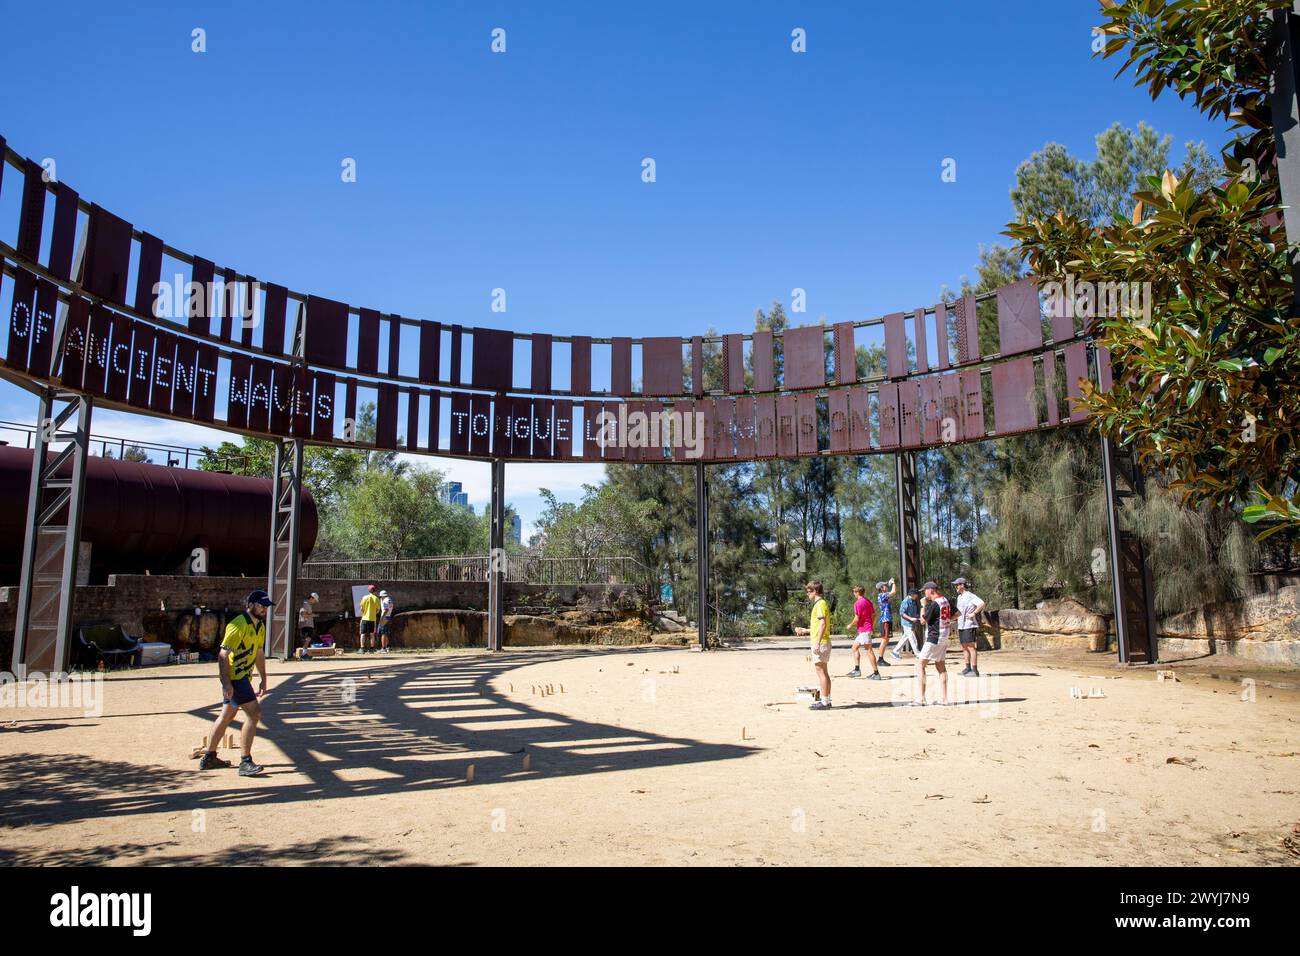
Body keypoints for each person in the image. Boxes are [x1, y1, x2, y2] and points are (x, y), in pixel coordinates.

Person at [198, 590, 271, 776]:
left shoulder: (260, 626)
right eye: (262, 606)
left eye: (266, 607)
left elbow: (259, 653)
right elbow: (223, 654)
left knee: (226, 716)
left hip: (243, 677)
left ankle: (209, 757)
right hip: (236, 678)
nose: (265, 610)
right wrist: (226, 683)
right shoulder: (238, 625)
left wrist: (263, 677)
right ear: (252, 605)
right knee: (254, 714)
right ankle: (245, 762)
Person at [914, 581, 952, 706]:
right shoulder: (945, 600)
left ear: (931, 590)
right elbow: (957, 614)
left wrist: (923, 606)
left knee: (920, 665)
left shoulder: (934, 604)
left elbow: (923, 621)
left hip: (934, 637)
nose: (925, 593)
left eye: (925, 590)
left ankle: (921, 698)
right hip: (945, 636)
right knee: (941, 666)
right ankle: (944, 698)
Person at [805, 580, 833, 710]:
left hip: (820, 643)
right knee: (824, 672)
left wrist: (816, 643)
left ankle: (824, 701)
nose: (807, 594)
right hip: (822, 641)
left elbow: (822, 624)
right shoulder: (820, 604)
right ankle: (826, 699)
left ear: (815, 591)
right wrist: (805, 631)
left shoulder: (820, 604)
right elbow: (818, 626)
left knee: (821, 672)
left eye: (809, 591)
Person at [846, 584, 881, 680]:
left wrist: (850, 625)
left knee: (869, 651)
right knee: (854, 647)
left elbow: (857, 618)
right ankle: (857, 670)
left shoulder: (858, 603)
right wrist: (871, 626)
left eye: (854, 592)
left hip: (864, 630)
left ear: (857, 592)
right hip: (865, 629)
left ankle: (876, 673)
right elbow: (874, 615)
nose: (853, 593)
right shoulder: (868, 601)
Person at [953, 577, 986, 677]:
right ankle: (967, 668)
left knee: (971, 647)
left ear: (962, 585)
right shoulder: (959, 597)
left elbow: (981, 603)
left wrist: (974, 613)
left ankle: (975, 670)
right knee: (964, 647)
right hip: (961, 625)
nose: (956, 587)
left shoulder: (970, 595)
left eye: (957, 585)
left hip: (969, 624)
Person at [895, 588, 922, 659]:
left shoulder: (914, 601)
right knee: (913, 639)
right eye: (916, 594)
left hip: (911, 623)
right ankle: (917, 654)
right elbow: (902, 613)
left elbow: (914, 612)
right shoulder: (906, 601)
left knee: (905, 637)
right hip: (906, 623)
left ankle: (895, 651)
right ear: (912, 594)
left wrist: (916, 617)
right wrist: (910, 618)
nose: (917, 596)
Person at [876, 579, 897, 661]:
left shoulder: (882, 595)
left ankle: (881, 658)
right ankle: (880, 659)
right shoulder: (882, 595)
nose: (886, 586)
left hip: (886, 620)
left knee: (886, 639)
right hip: (885, 620)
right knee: (885, 640)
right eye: (885, 585)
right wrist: (893, 583)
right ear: (881, 588)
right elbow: (894, 592)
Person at [297, 592, 319, 660]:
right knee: (307, 639)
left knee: (308, 639)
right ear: (311, 598)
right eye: (314, 600)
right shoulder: (305, 604)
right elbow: (303, 615)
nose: (314, 602)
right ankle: (304, 654)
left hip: (307, 624)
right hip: (306, 624)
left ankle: (304, 653)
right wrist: (313, 615)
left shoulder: (307, 604)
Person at [359, 585, 380, 652]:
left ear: (368, 590)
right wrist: (373, 613)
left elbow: (361, 608)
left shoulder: (364, 597)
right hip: (372, 619)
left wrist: (363, 614)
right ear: (374, 590)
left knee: (362, 634)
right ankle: (371, 649)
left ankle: (362, 649)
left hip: (364, 618)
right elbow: (378, 610)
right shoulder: (376, 598)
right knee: (372, 634)